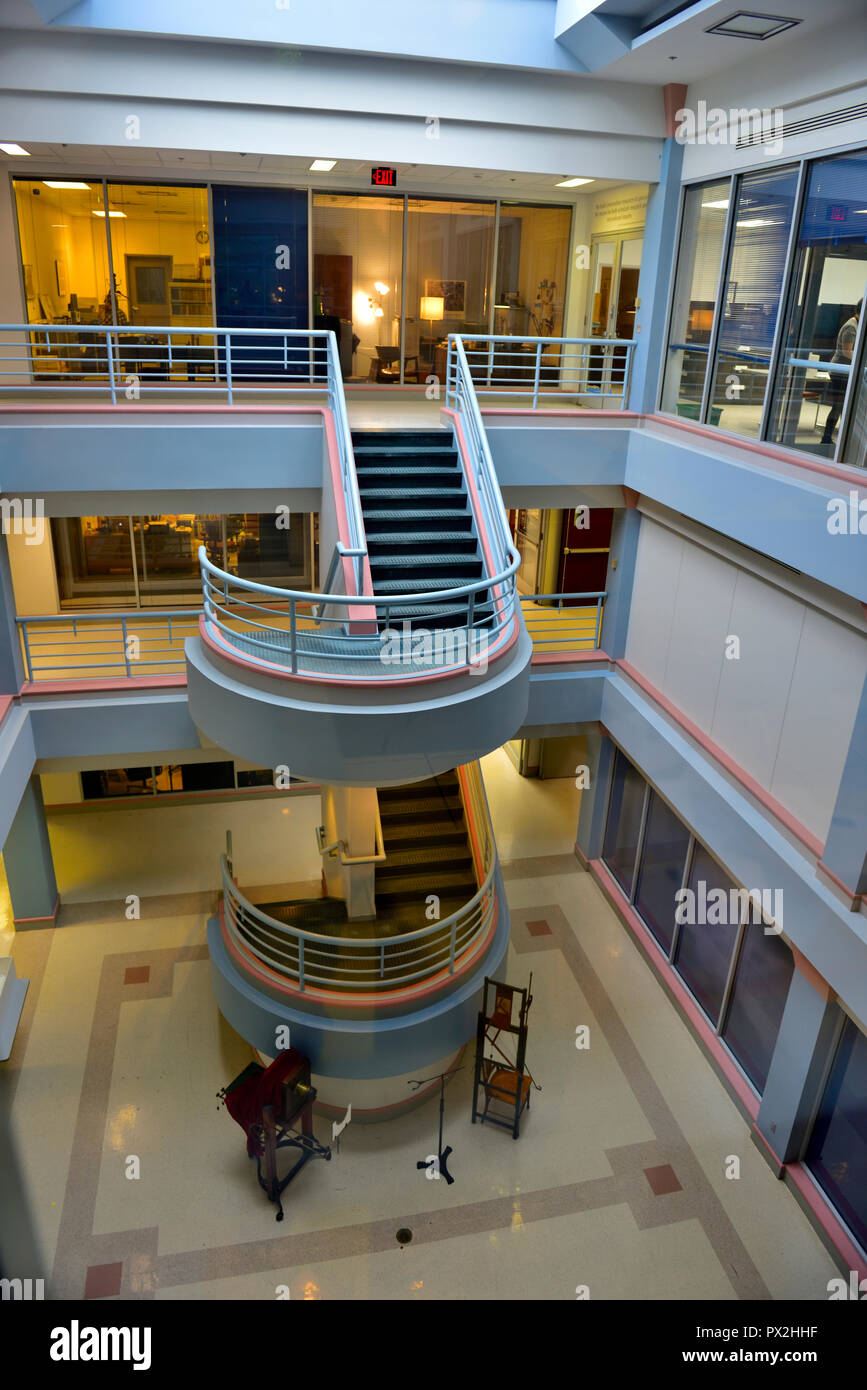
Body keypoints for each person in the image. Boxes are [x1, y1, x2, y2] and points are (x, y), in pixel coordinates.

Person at [821, 297, 861, 445]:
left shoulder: (858, 325)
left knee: (843, 406)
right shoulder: (851, 327)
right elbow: (847, 352)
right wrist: (861, 361)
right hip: (840, 372)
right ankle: (826, 438)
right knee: (839, 405)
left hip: (846, 371)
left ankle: (838, 438)